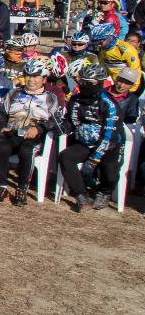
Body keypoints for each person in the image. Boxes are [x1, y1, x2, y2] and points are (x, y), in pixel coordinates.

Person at [0, 58, 64, 205]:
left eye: (35, 76)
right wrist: (2, 126)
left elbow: (57, 120)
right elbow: (0, 112)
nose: (31, 80)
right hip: (12, 133)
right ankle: (1, 187)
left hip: (34, 137)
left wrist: (39, 128)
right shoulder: (14, 93)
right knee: (2, 146)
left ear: (44, 78)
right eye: (28, 75)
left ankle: (21, 189)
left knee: (26, 150)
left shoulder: (50, 98)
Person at [58, 63, 123, 212]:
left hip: (109, 145)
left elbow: (110, 136)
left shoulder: (109, 104)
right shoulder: (75, 100)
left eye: (90, 83)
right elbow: (71, 122)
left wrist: (94, 160)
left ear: (99, 83)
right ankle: (81, 195)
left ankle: (105, 191)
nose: (85, 86)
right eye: (82, 82)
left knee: (110, 170)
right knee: (65, 157)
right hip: (85, 143)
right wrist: (57, 127)